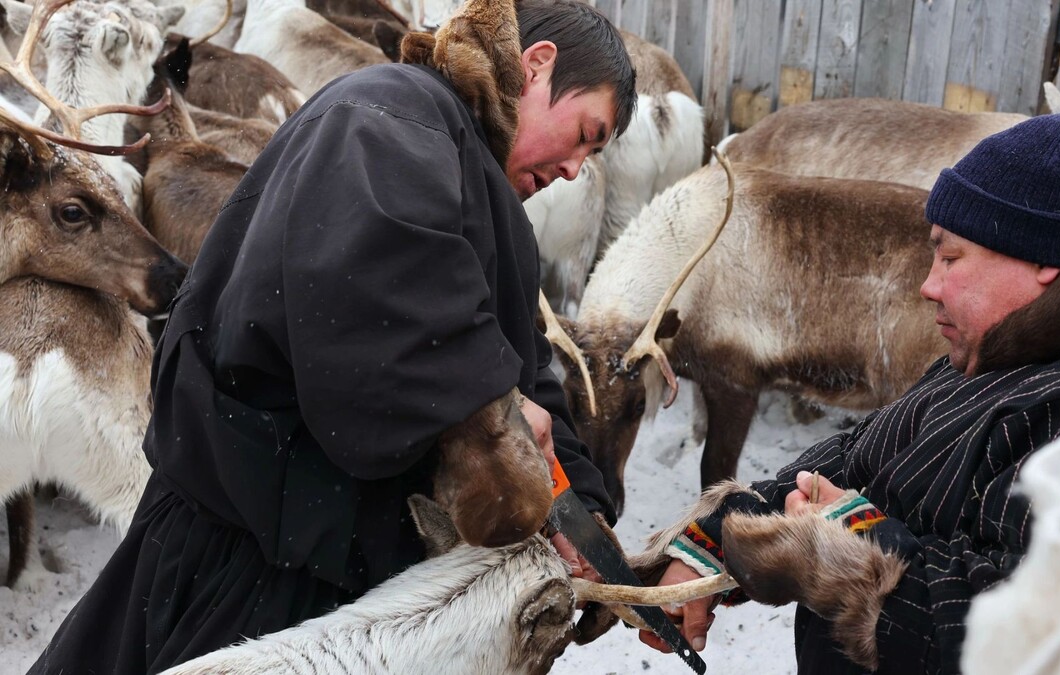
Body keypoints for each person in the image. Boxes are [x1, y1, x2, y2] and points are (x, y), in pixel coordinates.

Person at [31, 0, 635, 672]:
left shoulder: (483, 195)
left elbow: (530, 376)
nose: (578, 169)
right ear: (540, 66)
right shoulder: (391, 111)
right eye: (586, 133)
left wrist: (588, 516)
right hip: (241, 560)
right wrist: (487, 407)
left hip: (328, 562)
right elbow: (379, 290)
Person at [635, 108, 1060, 674]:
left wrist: (841, 543)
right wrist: (721, 538)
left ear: (1042, 260)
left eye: (951, 258)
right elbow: (851, 461)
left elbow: (1016, 633)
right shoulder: (983, 363)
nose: (929, 285)